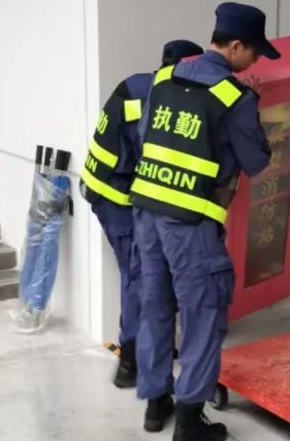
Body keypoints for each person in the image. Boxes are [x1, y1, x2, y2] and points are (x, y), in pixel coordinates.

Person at [131, 2, 277, 441]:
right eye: (254, 52)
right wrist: (251, 108)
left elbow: (147, 137)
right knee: (202, 314)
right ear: (235, 46)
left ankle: (156, 404)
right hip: (191, 222)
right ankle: (189, 425)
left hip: (147, 214)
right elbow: (256, 161)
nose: (256, 61)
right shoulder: (234, 97)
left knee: (155, 305)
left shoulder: (162, 78)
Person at [80, 39, 205, 388]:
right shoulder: (160, 100)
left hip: (109, 188)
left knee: (144, 274)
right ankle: (131, 363)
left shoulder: (139, 84)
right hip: (115, 197)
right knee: (140, 277)